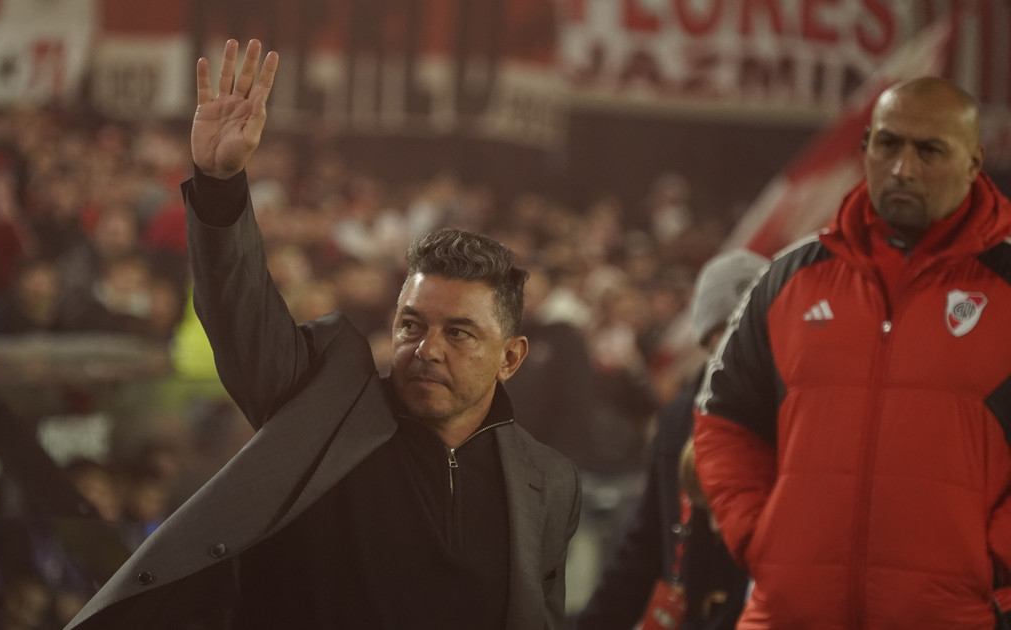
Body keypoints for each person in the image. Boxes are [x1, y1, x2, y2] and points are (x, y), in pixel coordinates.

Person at [63, 38, 581, 630]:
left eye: (459, 333)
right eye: (411, 324)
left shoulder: (550, 483)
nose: (427, 349)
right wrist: (220, 184)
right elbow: (241, 318)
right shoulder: (327, 403)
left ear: (511, 357)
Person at [693, 76, 1011, 629]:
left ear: (974, 162)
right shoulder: (790, 278)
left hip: (953, 616)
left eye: (929, 150)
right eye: (887, 144)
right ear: (865, 147)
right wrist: (761, 536)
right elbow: (724, 422)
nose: (903, 168)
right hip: (789, 615)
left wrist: (993, 563)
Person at [576, 249, 764, 630]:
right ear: (706, 336)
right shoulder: (679, 417)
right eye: (725, 327)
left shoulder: (790, 414)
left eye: (751, 326)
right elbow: (646, 542)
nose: (737, 341)